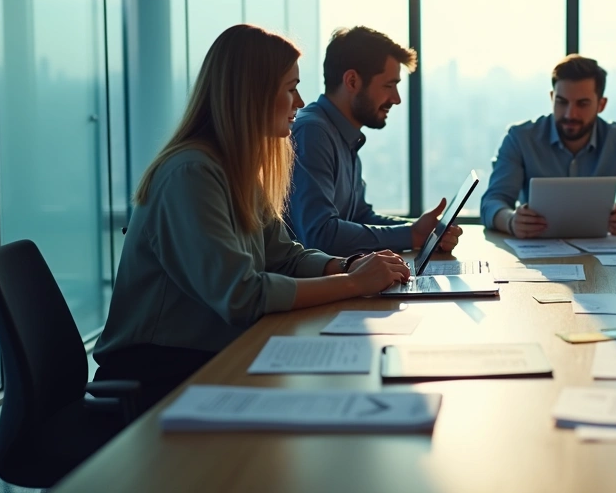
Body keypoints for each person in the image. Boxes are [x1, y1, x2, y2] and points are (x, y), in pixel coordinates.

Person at [93, 25, 410, 412]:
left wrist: (344, 265)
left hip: (209, 355)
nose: (300, 101)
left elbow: (286, 257)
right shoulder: (191, 173)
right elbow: (241, 296)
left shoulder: (235, 169)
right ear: (253, 95)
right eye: (290, 88)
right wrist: (353, 283)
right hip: (156, 374)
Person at [287, 26, 460, 256]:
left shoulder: (343, 136)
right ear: (352, 81)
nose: (396, 99)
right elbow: (319, 235)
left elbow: (359, 217)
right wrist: (411, 235)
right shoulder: (313, 133)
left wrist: (419, 231)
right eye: (389, 85)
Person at [480, 55, 616, 237]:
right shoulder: (520, 138)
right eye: (561, 102)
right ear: (552, 97)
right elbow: (492, 202)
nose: (570, 114)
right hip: (536, 252)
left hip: (601, 253)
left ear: (601, 104)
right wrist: (511, 221)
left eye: (582, 104)